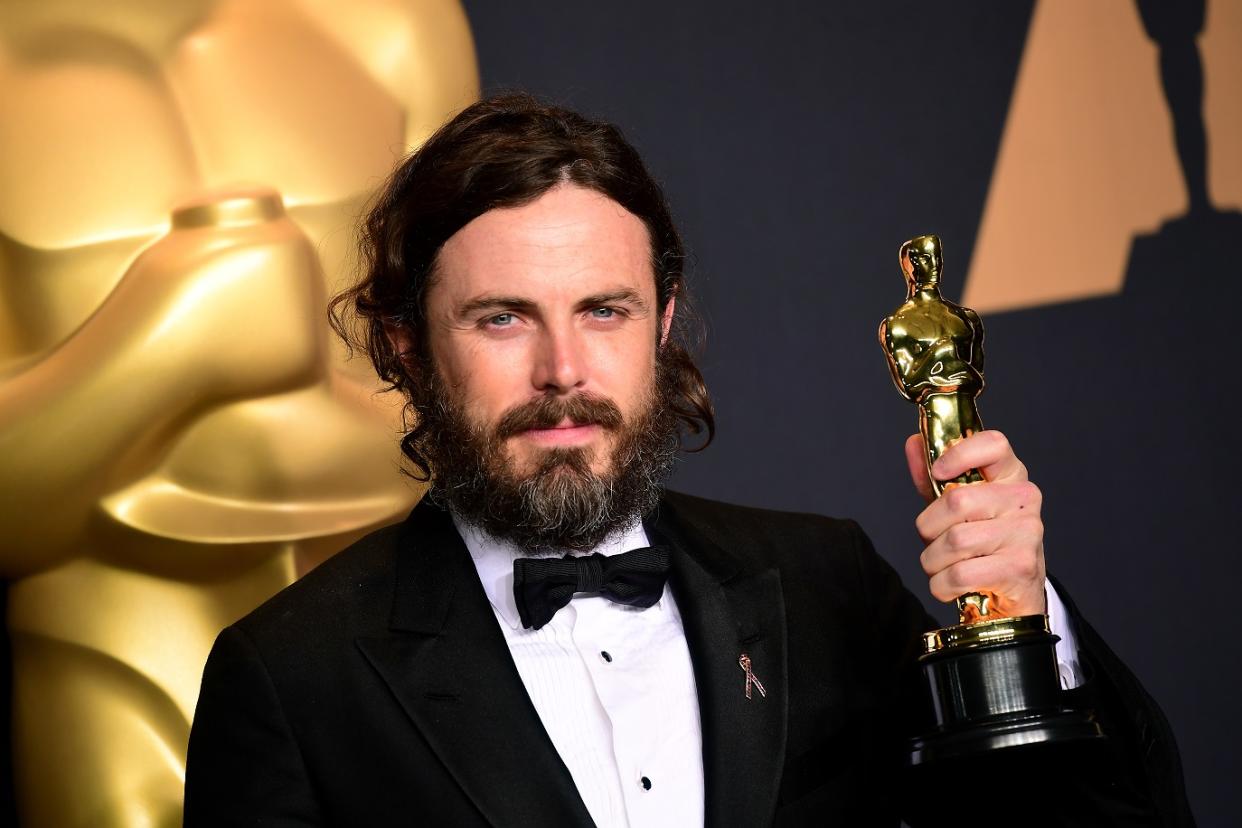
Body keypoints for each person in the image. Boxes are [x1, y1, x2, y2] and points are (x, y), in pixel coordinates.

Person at [184, 94, 1192, 826]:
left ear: (661, 324)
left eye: (604, 310)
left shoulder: (823, 585)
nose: (564, 370)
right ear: (406, 344)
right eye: (502, 318)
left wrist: (1021, 620)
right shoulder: (290, 677)